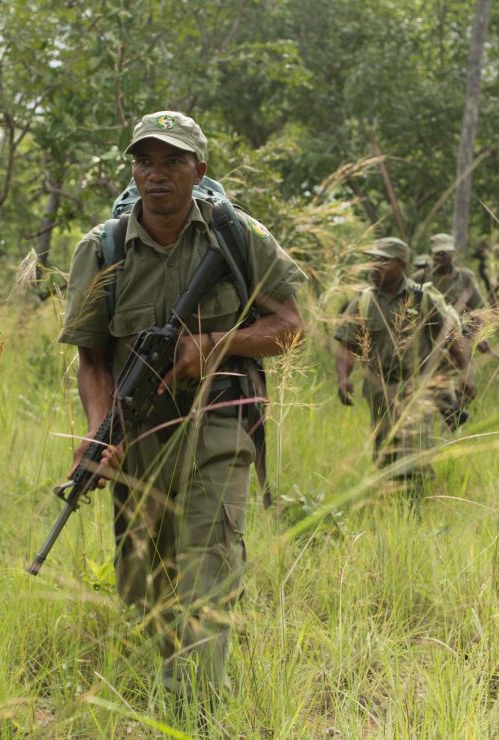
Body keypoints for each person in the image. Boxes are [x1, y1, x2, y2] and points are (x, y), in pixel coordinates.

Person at [58, 111, 304, 705]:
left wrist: (213, 346)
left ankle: (193, 705)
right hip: (138, 431)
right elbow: (92, 360)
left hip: (220, 419)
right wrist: (100, 433)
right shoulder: (103, 249)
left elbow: (290, 328)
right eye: (145, 161)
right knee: (143, 579)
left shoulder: (238, 236)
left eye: (172, 161)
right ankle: (169, 673)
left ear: (200, 168)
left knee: (206, 562)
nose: (157, 174)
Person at [334, 237, 474, 496]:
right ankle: (392, 502)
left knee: (416, 451)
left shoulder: (421, 299)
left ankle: (416, 506)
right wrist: (343, 378)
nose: (374, 266)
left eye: (382, 261)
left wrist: (466, 373)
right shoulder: (363, 302)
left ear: (400, 264)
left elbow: (453, 337)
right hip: (379, 388)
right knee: (385, 451)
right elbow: (346, 345)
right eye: (372, 260)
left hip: (416, 386)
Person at [428, 233, 490, 353]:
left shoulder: (465, 276)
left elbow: (478, 309)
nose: (444, 257)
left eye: (447, 252)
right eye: (439, 253)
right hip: (431, 342)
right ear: (432, 254)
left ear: (453, 253)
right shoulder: (421, 278)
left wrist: (480, 335)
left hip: (460, 340)